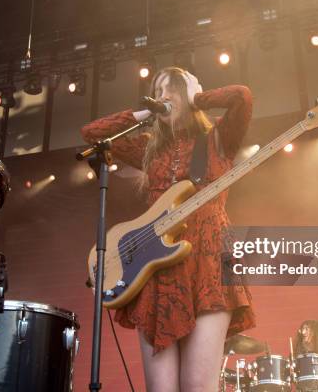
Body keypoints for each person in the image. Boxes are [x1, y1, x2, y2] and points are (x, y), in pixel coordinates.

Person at [81, 66, 255, 392]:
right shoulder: (150, 148)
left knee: (197, 386)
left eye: (170, 89)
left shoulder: (218, 137)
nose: (164, 97)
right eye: (158, 90)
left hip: (209, 263)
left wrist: (198, 98)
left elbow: (242, 97)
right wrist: (147, 111)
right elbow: (92, 133)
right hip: (156, 267)